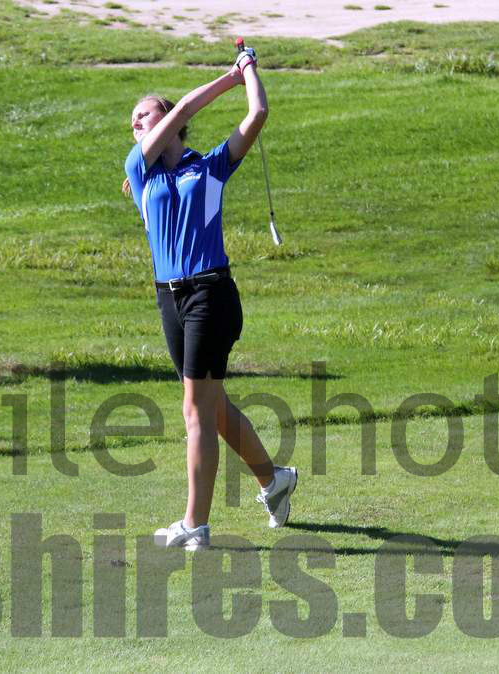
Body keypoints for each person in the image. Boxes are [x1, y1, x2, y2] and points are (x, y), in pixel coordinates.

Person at [123, 46, 298, 550]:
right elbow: (180, 111)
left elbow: (257, 114)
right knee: (212, 406)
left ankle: (195, 525)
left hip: (210, 294)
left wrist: (245, 73)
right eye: (134, 120)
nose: (136, 123)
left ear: (171, 124)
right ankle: (274, 480)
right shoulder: (140, 170)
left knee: (195, 410)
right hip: (169, 300)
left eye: (144, 114)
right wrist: (230, 75)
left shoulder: (211, 166)